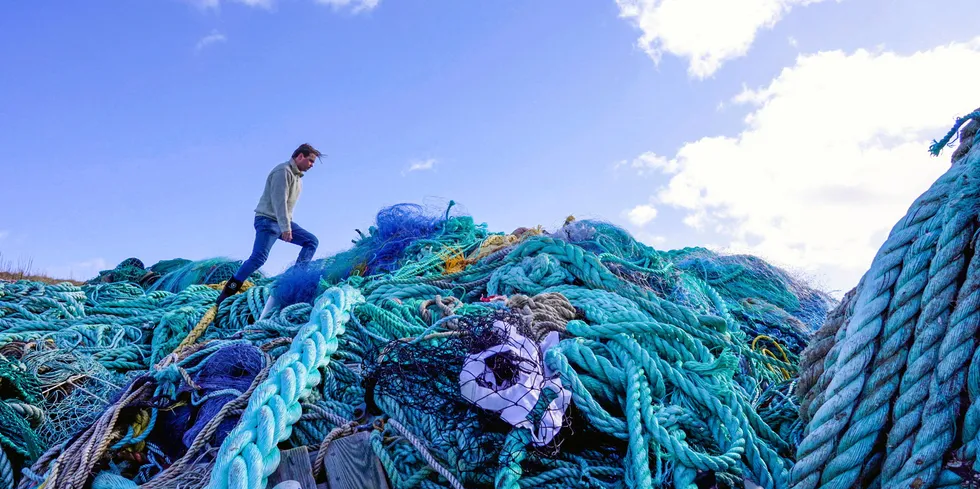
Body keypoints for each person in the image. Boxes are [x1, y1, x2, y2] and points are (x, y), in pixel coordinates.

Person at [216, 143, 322, 306]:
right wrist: (286, 227)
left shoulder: (298, 179)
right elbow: (279, 201)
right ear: (300, 156)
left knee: (311, 241)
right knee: (258, 258)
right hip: (268, 220)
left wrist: (286, 225)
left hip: (283, 221)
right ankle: (227, 292)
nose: (312, 165)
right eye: (310, 160)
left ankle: (296, 277)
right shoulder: (283, 171)